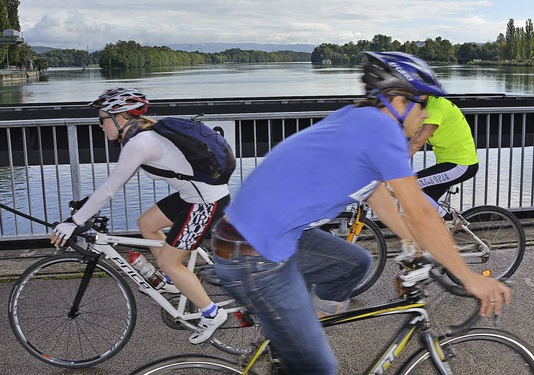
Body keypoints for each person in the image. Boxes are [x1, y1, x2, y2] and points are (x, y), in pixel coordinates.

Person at [211, 51, 511, 374]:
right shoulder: (380, 131)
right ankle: (296, 339)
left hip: (268, 234)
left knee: (355, 262)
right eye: (422, 104)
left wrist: (413, 243)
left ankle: (294, 333)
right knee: (320, 368)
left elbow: (377, 194)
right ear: (398, 102)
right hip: (254, 253)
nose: (426, 114)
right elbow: (421, 212)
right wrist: (470, 280)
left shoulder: (358, 120)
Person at [50, 87, 230, 344]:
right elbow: (108, 186)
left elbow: (111, 188)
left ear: (119, 118)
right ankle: (171, 281)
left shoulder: (140, 143)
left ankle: (211, 313)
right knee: (146, 223)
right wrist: (85, 206)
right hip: (194, 195)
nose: (100, 126)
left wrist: (73, 222)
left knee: (170, 260)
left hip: (205, 202)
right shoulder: (142, 136)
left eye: (101, 119)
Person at [407, 95, 479, 220]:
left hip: (460, 164)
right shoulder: (423, 106)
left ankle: (448, 219)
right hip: (447, 164)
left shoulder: (436, 107)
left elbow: (417, 143)